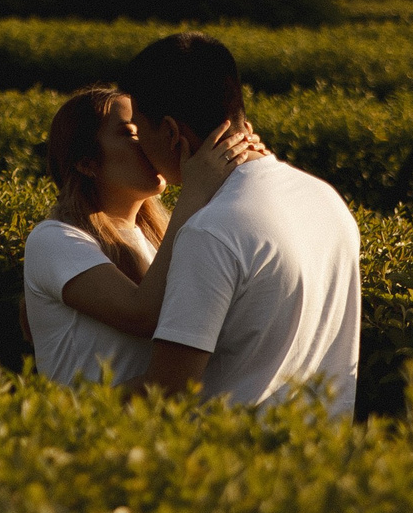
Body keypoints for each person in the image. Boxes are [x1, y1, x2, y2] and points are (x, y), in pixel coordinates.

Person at [119, 32, 361, 415]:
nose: (136, 147)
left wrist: (60, 405)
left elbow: (167, 388)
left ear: (169, 132)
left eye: (137, 131)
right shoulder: (325, 199)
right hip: (320, 456)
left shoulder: (210, 231)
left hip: (232, 464)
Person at [23, 84, 264, 386]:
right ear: (87, 163)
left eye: (145, 130)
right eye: (129, 134)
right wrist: (194, 191)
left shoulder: (156, 238)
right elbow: (143, 314)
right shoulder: (53, 240)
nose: (147, 143)